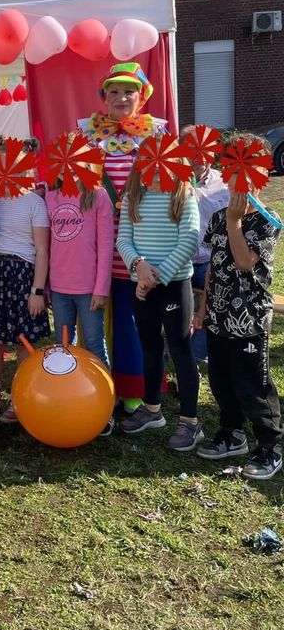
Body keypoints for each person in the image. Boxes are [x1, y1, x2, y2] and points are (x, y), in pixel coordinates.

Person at [79, 63, 168, 409]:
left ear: (141, 96)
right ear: (103, 98)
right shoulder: (89, 135)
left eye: (128, 91)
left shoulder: (156, 135)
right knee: (98, 319)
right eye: (113, 91)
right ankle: (98, 384)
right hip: (97, 246)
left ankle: (134, 389)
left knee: (134, 320)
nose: (120, 97)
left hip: (139, 244)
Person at [194, 133, 282, 480]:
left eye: (248, 168)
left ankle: (271, 444)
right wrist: (203, 309)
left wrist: (236, 221)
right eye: (231, 168)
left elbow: (245, 262)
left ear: (263, 173)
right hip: (217, 316)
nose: (238, 179)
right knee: (222, 381)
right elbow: (215, 265)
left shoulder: (267, 219)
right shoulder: (218, 217)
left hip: (249, 321)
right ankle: (232, 433)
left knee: (253, 386)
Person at [116, 159, 201, 451]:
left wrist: (154, 277)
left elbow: (188, 240)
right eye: (148, 167)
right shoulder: (133, 196)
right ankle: (152, 410)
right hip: (141, 284)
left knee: (179, 348)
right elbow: (124, 240)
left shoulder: (183, 195)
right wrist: (138, 266)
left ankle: (190, 421)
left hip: (173, 286)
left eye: (161, 168)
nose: (154, 174)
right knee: (150, 346)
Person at [0, 137, 50, 424]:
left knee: (24, 341)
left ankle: (19, 395)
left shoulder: (34, 201)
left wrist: (37, 290)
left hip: (24, 276)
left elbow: (43, 250)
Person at [46, 175, 114, 367]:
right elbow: (46, 244)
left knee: (94, 345)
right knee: (64, 346)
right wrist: (46, 286)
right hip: (59, 288)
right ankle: (71, 393)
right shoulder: (50, 198)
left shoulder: (98, 196)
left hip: (89, 289)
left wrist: (101, 288)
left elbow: (106, 245)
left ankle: (106, 395)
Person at [179, 124, 229, 364]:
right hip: (181, 259)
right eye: (192, 150)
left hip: (211, 259)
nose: (198, 158)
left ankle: (198, 353)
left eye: (204, 150)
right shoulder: (171, 181)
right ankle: (174, 344)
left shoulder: (225, 183)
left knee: (217, 292)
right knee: (171, 297)